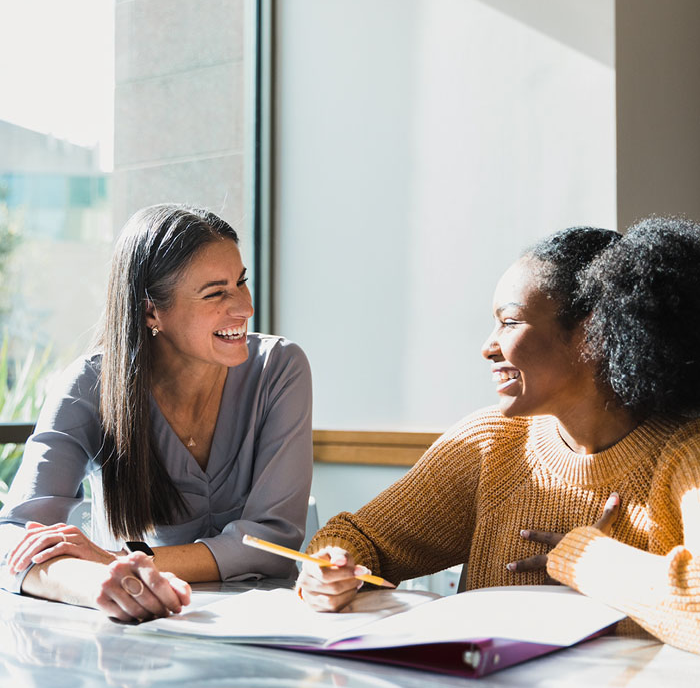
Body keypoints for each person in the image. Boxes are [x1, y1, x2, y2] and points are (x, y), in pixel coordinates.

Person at [298, 217, 700, 655]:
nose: (488, 346)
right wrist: (328, 570)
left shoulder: (687, 452)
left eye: (509, 322)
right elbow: (362, 538)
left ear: (593, 333)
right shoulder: (491, 442)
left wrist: (582, 556)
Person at [0, 204, 313, 622]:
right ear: (152, 312)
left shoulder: (279, 367)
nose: (244, 307)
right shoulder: (89, 385)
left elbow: (272, 544)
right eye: (216, 292)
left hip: (271, 627)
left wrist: (119, 559)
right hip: (141, 630)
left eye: (241, 282)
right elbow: (15, 539)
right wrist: (106, 583)